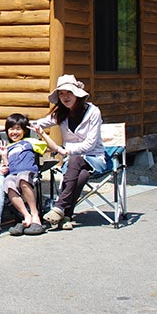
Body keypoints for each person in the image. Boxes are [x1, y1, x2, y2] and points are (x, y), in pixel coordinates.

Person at [31, 74, 107, 230]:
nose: (65, 97)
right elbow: (39, 123)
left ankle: (59, 206)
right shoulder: (61, 113)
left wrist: (65, 150)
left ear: (77, 94)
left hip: (95, 158)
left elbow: (90, 144)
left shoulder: (93, 112)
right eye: (61, 93)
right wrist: (13, 126)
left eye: (68, 92)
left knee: (76, 159)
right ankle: (66, 214)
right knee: (82, 174)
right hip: (74, 165)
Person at [2, 113, 45, 236]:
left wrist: (41, 133)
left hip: (28, 172)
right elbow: (6, 166)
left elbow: (51, 148)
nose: (14, 132)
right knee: (8, 183)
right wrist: (4, 157)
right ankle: (26, 216)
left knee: (22, 178)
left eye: (18, 129)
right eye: (11, 129)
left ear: (24, 130)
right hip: (12, 173)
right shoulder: (8, 147)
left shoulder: (30, 142)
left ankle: (35, 214)